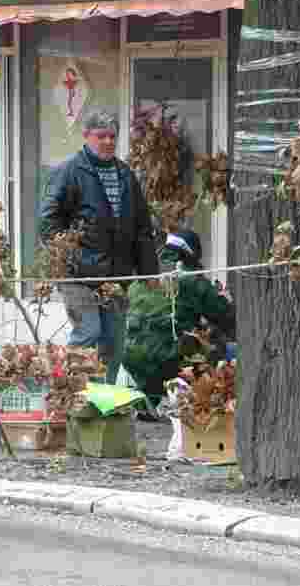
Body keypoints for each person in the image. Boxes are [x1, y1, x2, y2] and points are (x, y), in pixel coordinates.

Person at [39, 109, 159, 385]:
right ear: (86, 136)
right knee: (89, 332)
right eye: (101, 136)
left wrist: (149, 272)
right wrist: (70, 259)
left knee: (114, 342)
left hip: (116, 274)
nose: (107, 142)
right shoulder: (68, 172)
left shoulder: (125, 174)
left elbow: (142, 226)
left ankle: (103, 401)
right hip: (78, 275)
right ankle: (74, 395)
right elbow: (48, 222)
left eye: (112, 136)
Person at [124, 228, 235, 406]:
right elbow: (228, 319)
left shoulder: (145, 275)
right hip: (166, 361)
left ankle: (149, 400)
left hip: (131, 358)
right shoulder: (193, 280)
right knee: (223, 348)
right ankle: (197, 403)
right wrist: (225, 299)